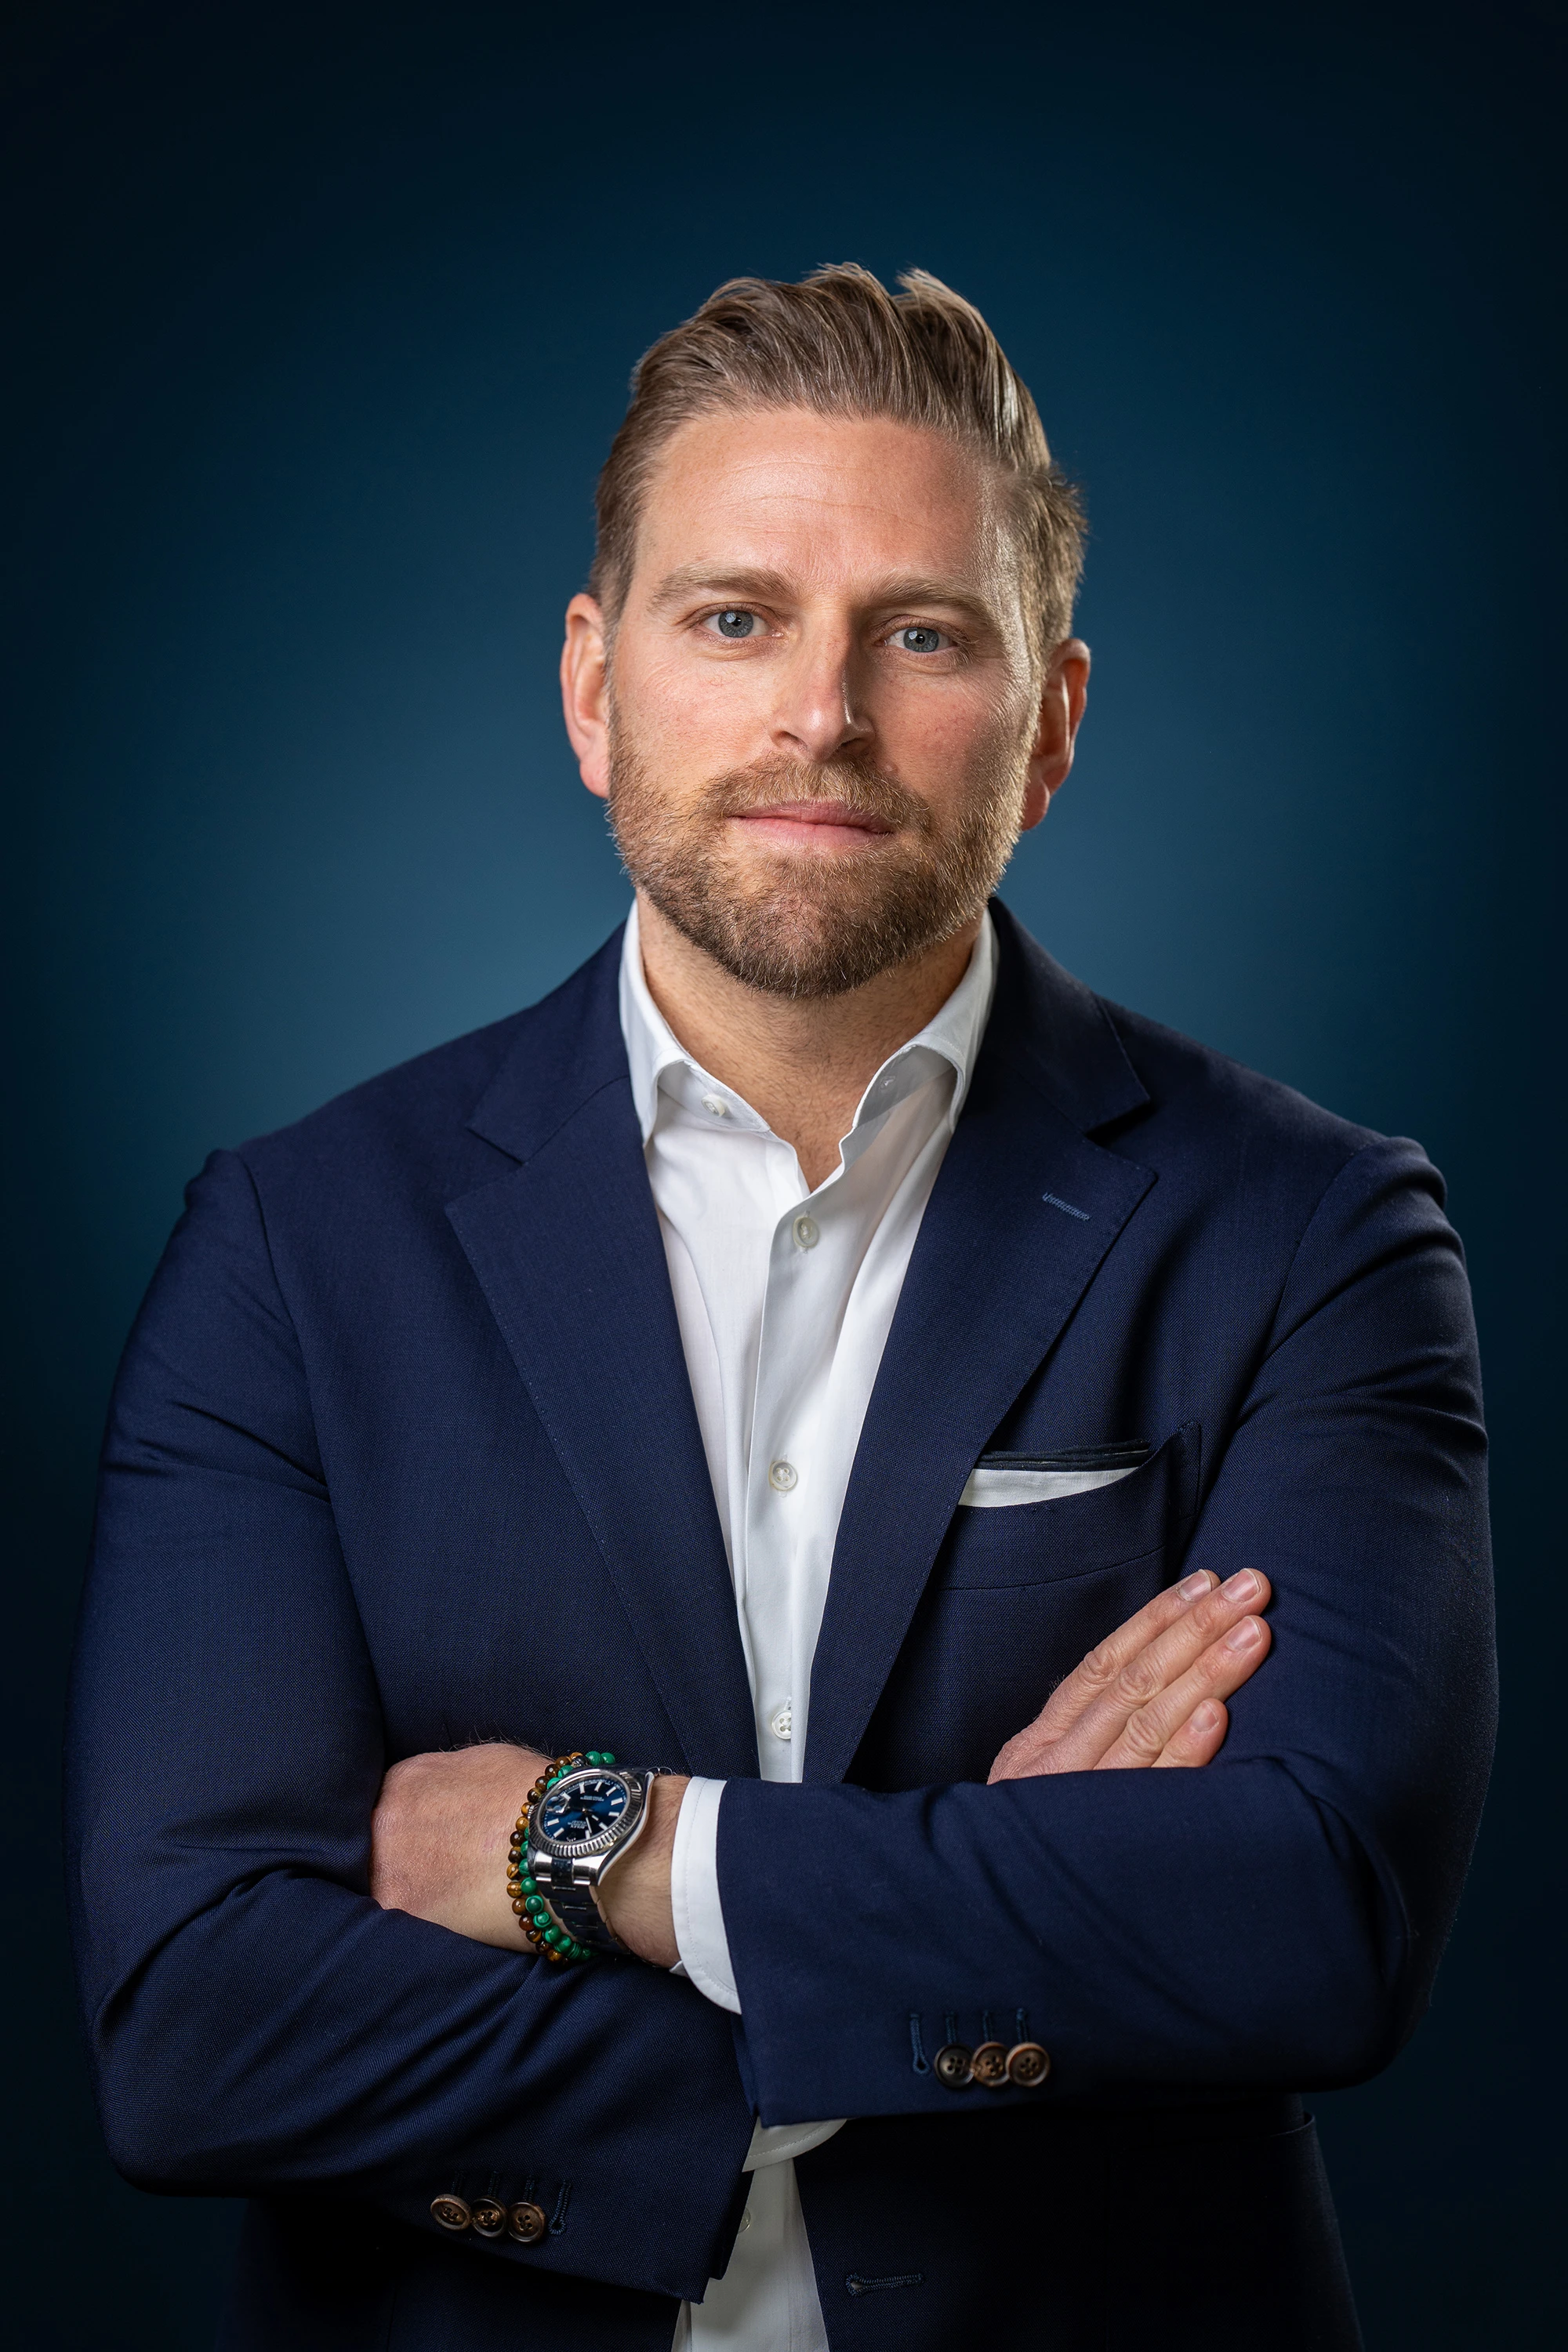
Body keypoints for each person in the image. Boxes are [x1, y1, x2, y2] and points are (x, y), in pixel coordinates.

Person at [66, 265, 1494, 2352]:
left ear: (1054, 724)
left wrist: (609, 1850)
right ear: (593, 690)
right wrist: (970, 1950)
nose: (820, 712)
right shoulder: (295, 1244)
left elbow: (1310, 1926)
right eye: (733, 617)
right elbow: (192, 2020)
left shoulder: (1311, 1230)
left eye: (920, 633)